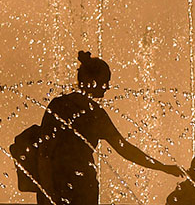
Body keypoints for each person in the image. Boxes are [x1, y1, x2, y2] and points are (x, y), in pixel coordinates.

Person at [35, 51, 182, 204]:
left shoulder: (61, 106)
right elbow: (125, 148)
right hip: (77, 185)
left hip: (70, 185)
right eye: (104, 82)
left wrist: (47, 191)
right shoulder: (92, 114)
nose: (107, 87)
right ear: (89, 80)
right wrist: (163, 167)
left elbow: (44, 153)